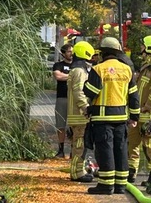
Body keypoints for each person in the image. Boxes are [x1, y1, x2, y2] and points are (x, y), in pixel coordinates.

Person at [84, 37, 140, 195]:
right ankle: (120, 185)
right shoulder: (127, 70)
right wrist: (134, 117)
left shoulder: (98, 69)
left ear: (103, 53)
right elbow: (134, 96)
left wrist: (85, 84)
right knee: (121, 150)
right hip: (121, 119)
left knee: (105, 149)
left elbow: (91, 91)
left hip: (103, 119)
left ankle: (106, 185)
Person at [127, 35, 151, 186]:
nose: (141, 49)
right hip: (140, 114)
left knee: (150, 146)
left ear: (150, 48)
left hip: (149, 115)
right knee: (133, 143)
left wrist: (148, 106)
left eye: (143, 46)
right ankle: (130, 173)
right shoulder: (146, 68)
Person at [67, 41, 97, 182]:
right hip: (79, 115)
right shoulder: (79, 71)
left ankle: (80, 169)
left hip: (78, 114)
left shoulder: (78, 69)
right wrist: (85, 107)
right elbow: (79, 91)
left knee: (80, 144)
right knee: (79, 144)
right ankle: (76, 172)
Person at [51, 43, 74, 158]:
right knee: (61, 125)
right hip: (62, 98)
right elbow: (58, 76)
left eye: (72, 51)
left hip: (73, 99)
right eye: (69, 51)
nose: (71, 53)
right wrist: (72, 76)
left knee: (73, 125)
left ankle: (73, 149)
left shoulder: (77, 65)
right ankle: (61, 150)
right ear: (64, 53)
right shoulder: (58, 65)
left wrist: (66, 75)